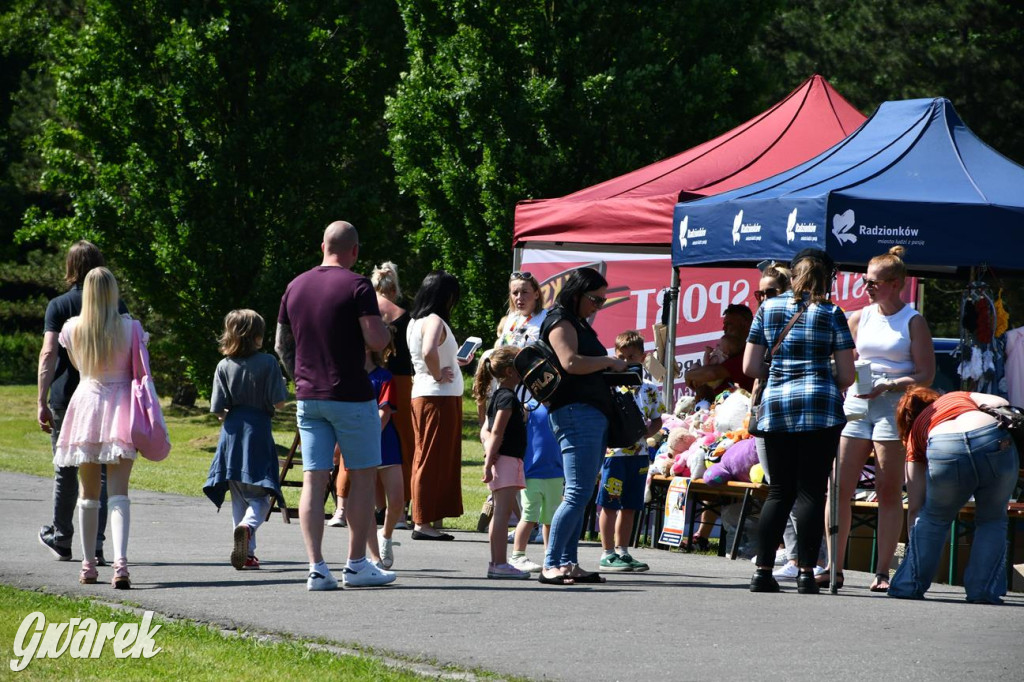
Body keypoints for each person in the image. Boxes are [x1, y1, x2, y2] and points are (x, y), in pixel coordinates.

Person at [275, 220, 396, 591]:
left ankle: (316, 568)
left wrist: (300, 376)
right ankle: (357, 564)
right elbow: (376, 340)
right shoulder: (358, 285)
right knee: (360, 475)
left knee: (314, 478)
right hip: (351, 394)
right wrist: (388, 328)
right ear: (355, 251)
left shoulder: (295, 285)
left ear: (322, 246)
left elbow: (282, 344)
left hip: (309, 396)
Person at [744, 248, 855, 594]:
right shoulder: (833, 312)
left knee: (779, 491)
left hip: (777, 407)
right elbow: (848, 374)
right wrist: (820, 379)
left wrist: (779, 374)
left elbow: (750, 367)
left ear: (792, 277)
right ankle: (807, 573)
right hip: (820, 408)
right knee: (811, 491)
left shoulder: (768, 307)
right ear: (827, 279)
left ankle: (763, 571)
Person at [824, 246, 935, 592]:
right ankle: (833, 567)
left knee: (889, 490)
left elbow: (926, 374)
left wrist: (892, 383)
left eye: (873, 282)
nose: (866, 288)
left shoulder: (912, 321)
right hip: (858, 404)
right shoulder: (859, 317)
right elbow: (847, 361)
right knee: (840, 486)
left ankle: (883, 571)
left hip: (893, 406)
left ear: (895, 284)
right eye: (865, 281)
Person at [52, 267, 150, 589]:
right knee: (119, 493)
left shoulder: (73, 329)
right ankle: (120, 565)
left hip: (86, 405)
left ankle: (88, 564)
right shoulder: (131, 328)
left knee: (88, 493)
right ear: (113, 292)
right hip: (121, 406)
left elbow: (78, 367)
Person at [37, 241, 126, 564]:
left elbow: (49, 353)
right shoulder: (118, 306)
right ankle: (97, 542)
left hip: (68, 396)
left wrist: (40, 399)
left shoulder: (59, 306)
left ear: (70, 267)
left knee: (66, 468)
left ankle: (62, 536)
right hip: (109, 398)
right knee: (102, 471)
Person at [538, 267, 628, 585]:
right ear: (576, 294)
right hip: (576, 413)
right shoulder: (560, 319)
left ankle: (568, 561)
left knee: (582, 491)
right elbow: (570, 362)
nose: (598, 306)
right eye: (594, 299)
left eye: (603, 301)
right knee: (576, 492)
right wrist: (608, 361)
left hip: (588, 413)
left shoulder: (575, 321)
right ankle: (551, 563)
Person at [888, 388, 1019, 604]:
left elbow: (915, 505)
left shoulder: (916, 432)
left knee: (934, 518)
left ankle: (908, 585)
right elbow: (1000, 401)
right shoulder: (958, 396)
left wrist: (916, 538)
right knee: (992, 519)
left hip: (944, 445)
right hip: (992, 437)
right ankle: (983, 591)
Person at [202, 309, 288, 571]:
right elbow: (280, 402)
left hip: (231, 434)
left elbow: (217, 408)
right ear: (258, 336)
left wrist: (227, 415)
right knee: (262, 495)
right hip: (257, 432)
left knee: (239, 496)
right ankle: (247, 527)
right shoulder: (268, 363)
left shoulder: (223, 365)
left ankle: (247, 554)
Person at [407, 270, 474, 539]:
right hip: (437, 396)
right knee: (430, 458)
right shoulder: (434, 320)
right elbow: (428, 352)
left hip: (427, 394)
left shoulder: (415, 321)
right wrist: (438, 374)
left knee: (428, 456)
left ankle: (428, 517)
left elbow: (427, 354)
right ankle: (422, 521)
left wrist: (453, 363)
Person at [330, 338, 405, 569]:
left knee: (396, 500)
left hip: (385, 443)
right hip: (357, 444)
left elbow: (385, 414)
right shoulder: (347, 377)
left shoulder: (384, 377)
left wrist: (369, 437)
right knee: (363, 499)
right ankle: (375, 557)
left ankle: (387, 535)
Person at [597, 330, 664, 573]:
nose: (625, 363)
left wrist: (646, 433)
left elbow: (657, 420)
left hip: (639, 455)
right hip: (614, 455)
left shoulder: (649, 389)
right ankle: (607, 553)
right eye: (620, 357)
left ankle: (623, 551)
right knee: (610, 503)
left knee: (630, 504)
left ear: (643, 357)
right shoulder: (609, 387)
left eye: (631, 358)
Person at [473, 346, 532, 579]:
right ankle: (498, 563)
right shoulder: (506, 397)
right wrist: (488, 463)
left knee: (504, 512)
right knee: (501, 515)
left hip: (508, 460)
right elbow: (496, 431)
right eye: (520, 367)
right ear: (510, 371)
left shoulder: (502, 396)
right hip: (505, 461)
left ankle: (498, 562)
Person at [372, 261, 414, 530]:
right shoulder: (405, 316)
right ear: (395, 289)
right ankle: (400, 508)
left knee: (363, 441)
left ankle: (352, 506)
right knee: (403, 446)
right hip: (399, 382)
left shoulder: (364, 311)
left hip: (368, 378)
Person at [685, 304, 754, 402]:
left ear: (745, 324)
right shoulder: (723, 353)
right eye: (724, 324)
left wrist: (688, 375)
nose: (724, 329)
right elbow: (705, 389)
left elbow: (712, 373)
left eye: (729, 324)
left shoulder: (748, 352)